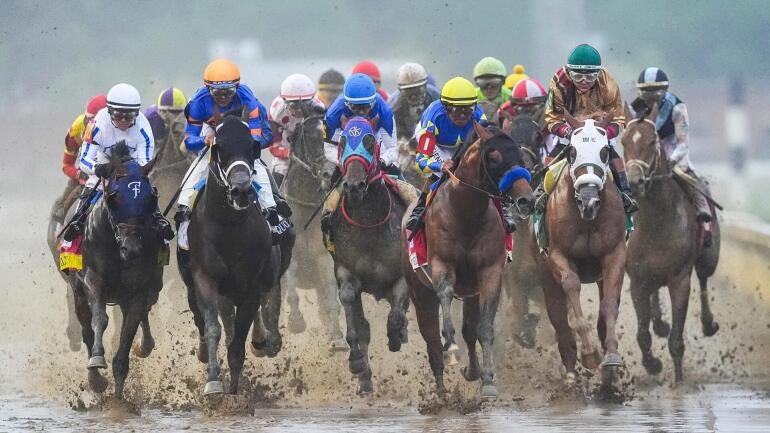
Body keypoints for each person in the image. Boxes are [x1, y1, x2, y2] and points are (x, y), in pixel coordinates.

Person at [173, 58, 289, 249]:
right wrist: (205, 141)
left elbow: (256, 140)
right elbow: (189, 141)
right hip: (213, 133)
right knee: (194, 174)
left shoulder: (247, 98)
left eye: (228, 92)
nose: (223, 97)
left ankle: (272, 215)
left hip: (242, 134)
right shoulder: (198, 103)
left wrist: (242, 146)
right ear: (208, 89)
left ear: (237, 87)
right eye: (217, 93)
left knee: (258, 168)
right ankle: (184, 221)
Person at [404, 76, 522, 232]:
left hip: (463, 142)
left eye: (468, 110)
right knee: (441, 174)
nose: (463, 115)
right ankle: (419, 210)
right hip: (438, 143)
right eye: (456, 110)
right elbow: (421, 161)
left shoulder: (479, 116)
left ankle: (503, 209)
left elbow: (492, 142)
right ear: (446, 108)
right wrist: (440, 166)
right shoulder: (434, 118)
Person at [62, 83, 174, 242]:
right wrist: (99, 168)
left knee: (146, 191)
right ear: (109, 112)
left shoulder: (143, 127)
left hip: (132, 170)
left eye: (128, 116)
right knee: (87, 195)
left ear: (136, 114)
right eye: (118, 115)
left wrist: (127, 173)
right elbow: (84, 161)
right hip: (103, 166)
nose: (123, 120)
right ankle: (74, 231)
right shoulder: (96, 125)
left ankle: (159, 222)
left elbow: (144, 165)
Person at [320, 73, 416, 244]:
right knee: (328, 204)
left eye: (365, 107)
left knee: (409, 194)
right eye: (355, 108)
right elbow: (328, 147)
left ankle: (414, 235)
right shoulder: (334, 113)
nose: (361, 112)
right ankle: (331, 241)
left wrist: (379, 161)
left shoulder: (384, 110)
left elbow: (392, 149)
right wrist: (348, 162)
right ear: (346, 103)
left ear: (374, 101)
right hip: (347, 155)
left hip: (376, 148)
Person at [542, 43, 637, 214]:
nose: (584, 82)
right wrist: (566, 131)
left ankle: (626, 194)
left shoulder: (608, 83)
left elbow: (618, 118)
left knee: (617, 160)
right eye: (577, 77)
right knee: (549, 162)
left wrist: (603, 133)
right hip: (570, 130)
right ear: (569, 72)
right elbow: (551, 115)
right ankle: (541, 195)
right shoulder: (559, 82)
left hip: (600, 131)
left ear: (598, 73)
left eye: (590, 77)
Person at [630, 67, 715, 230]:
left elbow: (683, 142)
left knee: (685, 172)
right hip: (647, 148)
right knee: (632, 175)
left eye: (655, 92)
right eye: (647, 92)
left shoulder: (677, 107)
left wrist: (671, 161)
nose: (651, 97)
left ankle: (701, 206)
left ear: (664, 90)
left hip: (673, 145)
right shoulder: (635, 109)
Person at [53, 94, 107, 222]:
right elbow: (66, 166)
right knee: (64, 206)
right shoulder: (77, 130)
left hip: (110, 175)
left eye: (93, 122)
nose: (89, 125)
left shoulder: (121, 127)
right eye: (87, 121)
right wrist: (79, 174)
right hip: (87, 175)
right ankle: (61, 213)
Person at [268, 73, 326, 186]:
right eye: (294, 106)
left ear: (312, 101)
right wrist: (287, 152)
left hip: (310, 147)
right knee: (278, 179)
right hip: (286, 146)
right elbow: (273, 146)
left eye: (305, 105)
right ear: (285, 103)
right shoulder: (276, 113)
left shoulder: (319, 109)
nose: (299, 111)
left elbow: (324, 139)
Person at [388, 62, 440, 142]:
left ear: (425, 85)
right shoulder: (392, 108)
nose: (413, 96)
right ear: (400, 90)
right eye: (408, 91)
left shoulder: (436, 98)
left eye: (416, 90)